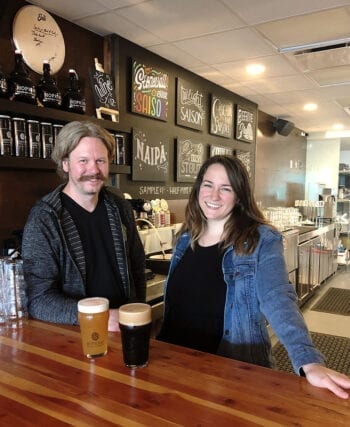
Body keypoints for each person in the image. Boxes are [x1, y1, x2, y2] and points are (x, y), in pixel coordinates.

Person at [158, 155, 350, 399]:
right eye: (208, 185)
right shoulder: (185, 238)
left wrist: (308, 360)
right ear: (198, 188)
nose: (214, 196)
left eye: (225, 189)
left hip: (230, 375)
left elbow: (278, 298)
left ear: (239, 196)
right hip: (173, 366)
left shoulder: (260, 240)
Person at [22, 121, 146, 331]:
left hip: (123, 331)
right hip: (74, 336)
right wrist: (101, 317)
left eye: (100, 160)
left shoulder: (119, 207)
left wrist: (136, 314)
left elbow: (137, 268)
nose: (94, 170)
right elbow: (39, 300)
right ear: (65, 164)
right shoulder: (45, 218)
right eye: (83, 160)